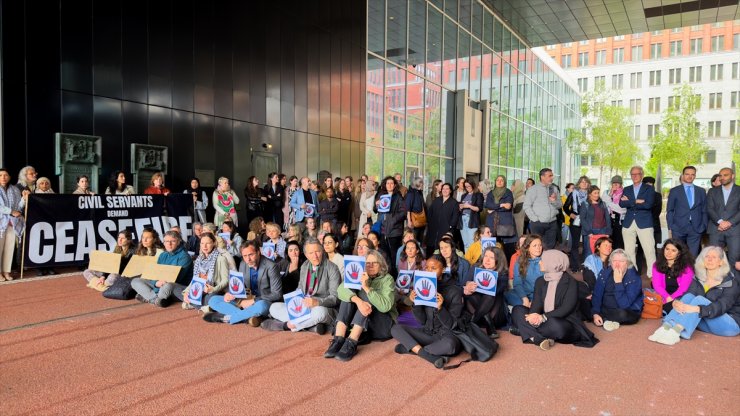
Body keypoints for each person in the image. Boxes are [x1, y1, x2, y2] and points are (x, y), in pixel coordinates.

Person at [649, 246, 739, 345]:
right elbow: (687, 295)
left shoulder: (731, 282)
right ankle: (665, 327)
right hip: (704, 318)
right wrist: (677, 302)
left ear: (721, 262)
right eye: (707, 256)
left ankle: (675, 332)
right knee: (688, 297)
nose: (709, 259)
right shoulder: (698, 278)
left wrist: (697, 309)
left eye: (714, 257)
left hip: (729, 324)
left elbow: (722, 306)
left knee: (700, 299)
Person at [510, 250, 599, 350]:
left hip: (564, 320)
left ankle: (526, 331)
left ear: (552, 263)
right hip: (543, 319)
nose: (539, 262)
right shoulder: (540, 281)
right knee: (517, 310)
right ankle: (537, 338)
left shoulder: (571, 282)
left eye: (542, 260)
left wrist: (543, 317)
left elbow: (566, 308)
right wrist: (534, 314)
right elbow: (537, 303)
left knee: (556, 326)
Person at [391, 255, 463, 369]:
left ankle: (412, 348)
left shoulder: (455, 291)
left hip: (446, 335)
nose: (429, 271)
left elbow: (452, 325)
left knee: (451, 346)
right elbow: (422, 321)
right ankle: (428, 355)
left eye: (433, 268)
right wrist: (415, 303)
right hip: (427, 333)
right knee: (396, 329)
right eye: (427, 268)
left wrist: (440, 308)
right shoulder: (424, 285)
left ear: (443, 269)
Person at [324, 249, 396, 361]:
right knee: (348, 297)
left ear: (381, 265)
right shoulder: (359, 274)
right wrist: (358, 301)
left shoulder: (388, 279)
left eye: (374, 263)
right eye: (367, 263)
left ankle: (352, 341)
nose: (370, 265)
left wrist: (366, 287)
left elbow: (385, 307)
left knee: (368, 296)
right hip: (365, 324)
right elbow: (341, 290)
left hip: (382, 324)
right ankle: (339, 339)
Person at [262, 238, 341, 334]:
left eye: (317, 251)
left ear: (322, 251)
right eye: (311, 253)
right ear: (306, 255)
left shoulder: (332, 268)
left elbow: (335, 298)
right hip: (304, 307)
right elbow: (300, 290)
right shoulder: (304, 266)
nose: (315, 256)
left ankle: (287, 326)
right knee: (274, 307)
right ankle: (310, 326)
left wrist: (317, 302)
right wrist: (293, 302)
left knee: (321, 313)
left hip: (322, 307)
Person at [204, 239, 282, 326]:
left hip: (262, 301)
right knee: (213, 300)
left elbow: (277, 294)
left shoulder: (271, 266)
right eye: (245, 256)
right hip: (245, 299)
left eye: (251, 255)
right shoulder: (243, 264)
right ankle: (248, 317)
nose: (248, 259)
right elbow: (241, 286)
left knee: (261, 306)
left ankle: (228, 318)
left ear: (258, 252)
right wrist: (231, 293)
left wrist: (253, 301)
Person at [131, 230, 193, 307]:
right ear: (163, 243)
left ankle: (150, 298)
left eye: (173, 241)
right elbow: (156, 274)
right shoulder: (163, 255)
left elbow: (177, 279)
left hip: (175, 286)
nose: (169, 244)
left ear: (178, 242)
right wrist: (156, 283)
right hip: (160, 284)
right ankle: (156, 300)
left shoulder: (184, 256)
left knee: (167, 285)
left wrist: (161, 283)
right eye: (166, 241)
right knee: (136, 281)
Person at [461, 246, 509, 338]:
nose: (487, 260)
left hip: (496, 315)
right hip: (476, 312)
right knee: (471, 294)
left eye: (491, 258)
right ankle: (488, 323)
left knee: (490, 294)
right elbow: (462, 286)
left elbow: (497, 291)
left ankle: (472, 322)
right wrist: (467, 288)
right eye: (486, 256)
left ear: (498, 260)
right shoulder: (475, 267)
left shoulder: (503, 273)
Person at [591, 249, 643, 331]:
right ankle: (602, 318)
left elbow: (624, 304)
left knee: (622, 314)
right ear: (611, 263)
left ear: (627, 263)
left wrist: (618, 282)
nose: (617, 264)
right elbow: (597, 294)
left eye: (621, 261)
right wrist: (595, 313)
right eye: (614, 261)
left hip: (626, 310)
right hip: (606, 308)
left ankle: (604, 319)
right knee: (583, 303)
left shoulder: (634, 278)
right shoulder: (604, 273)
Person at [619, 166, 656, 278]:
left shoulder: (649, 189)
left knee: (649, 250)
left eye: (637, 174)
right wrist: (636, 201)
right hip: (628, 223)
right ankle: (632, 273)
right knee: (629, 251)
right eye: (632, 174)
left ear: (642, 175)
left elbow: (648, 204)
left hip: (644, 223)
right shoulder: (627, 189)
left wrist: (630, 201)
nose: (634, 176)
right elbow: (621, 204)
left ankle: (653, 275)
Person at [181, 232, 231, 310]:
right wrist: (186, 292)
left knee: (211, 297)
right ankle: (205, 305)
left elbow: (226, 280)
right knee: (177, 290)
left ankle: (197, 304)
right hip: (199, 289)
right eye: (202, 243)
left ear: (214, 243)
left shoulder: (221, 259)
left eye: (208, 243)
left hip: (214, 290)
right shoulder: (198, 260)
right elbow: (195, 280)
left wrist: (213, 289)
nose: (204, 246)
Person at [706, 167, 739, 267]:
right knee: (714, 259)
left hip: (735, 230)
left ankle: (735, 282)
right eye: (720, 175)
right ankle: (716, 282)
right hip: (716, 229)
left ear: (732, 176)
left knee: (735, 259)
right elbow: (709, 209)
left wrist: (729, 223)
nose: (722, 178)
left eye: (726, 175)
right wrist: (720, 222)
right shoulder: (712, 191)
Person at [374, 176, 407, 275]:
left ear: (395, 185)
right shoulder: (380, 194)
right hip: (383, 229)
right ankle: (385, 275)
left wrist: (393, 219)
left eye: (392, 183)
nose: (389, 185)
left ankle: (394, 276)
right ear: (384, 184)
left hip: (394, 230)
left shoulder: (398, 196)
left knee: (394, 256)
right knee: (384, 255)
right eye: (387, 183)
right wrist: (376, 204)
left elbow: (403, 213)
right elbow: (375, 210)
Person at [651, 239, 695, 313]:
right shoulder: (656, 265)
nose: (668, 253)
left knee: (675, 308)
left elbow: (683, 289)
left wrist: (672, 299)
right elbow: (657, 286)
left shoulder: (687, 268)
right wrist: (667, 298)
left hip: (680, 296)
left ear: (679, 253)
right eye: (667, 249)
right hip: (663, 295)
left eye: (673, 250)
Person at [523, 168, 562, 249]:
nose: (552, 177)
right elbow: (526, 206)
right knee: (538, 247)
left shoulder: (554, 189)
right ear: (542, 177)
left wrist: (554, 201)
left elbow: (559, 205)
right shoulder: (533, 189)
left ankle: (548, 261)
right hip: (538, 224)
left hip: (552, 223)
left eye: (552, 176)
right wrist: (535, 219)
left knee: (551, 247)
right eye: (550, 176)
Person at [505, 234, 544, 308]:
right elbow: (517, 283)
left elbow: (547, 285)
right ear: (528, 247)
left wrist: (535, 301)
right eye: (535, 245)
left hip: (540, 296)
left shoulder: (546, 260)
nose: (538, 248)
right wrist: (524, 298)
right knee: (506, 296)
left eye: (540, 245)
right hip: (523, 294)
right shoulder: (520, 261)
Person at [579, 236, 613, 320]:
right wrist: (594, 293)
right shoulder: (591, 259)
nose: (609, 248)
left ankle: (596, 314)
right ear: (598, 247)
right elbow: (589, 278)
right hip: (593, 290)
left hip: (609, 292)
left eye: (610, 246)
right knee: (577, 286)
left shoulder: (614, 260)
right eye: (605, 245)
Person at [0, 168, 24, 281]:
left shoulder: (14, 189)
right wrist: (11, 211)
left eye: (5, 175)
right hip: (1, 222)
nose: (3, 177)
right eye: (0, 175)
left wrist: (24, 198)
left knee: (9, 248)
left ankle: (6, 271)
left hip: (12, 222)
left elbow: (19, 206)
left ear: (9, 177)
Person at [486, 175, 517, 260]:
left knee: (508, 249)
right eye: (498, 180)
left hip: (505, 224)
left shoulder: (508, 192)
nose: (499, 182)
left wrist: (494, 209)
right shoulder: (490, 193)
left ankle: (508, 268)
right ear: (495, 182)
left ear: (505, 182)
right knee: (492, 248)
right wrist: (501, 205)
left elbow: (508, 207)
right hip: (492, 223)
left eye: (502, 180)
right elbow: (488, 205)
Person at [563, 176, 591, 271]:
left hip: (587, 221)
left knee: (587, 245)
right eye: (582, 182)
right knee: (575, 244)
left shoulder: (591, 194)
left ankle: (585, 265)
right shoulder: (573, 193)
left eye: (586, 182)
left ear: (588, 184)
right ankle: (574, 266)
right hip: (575, 220)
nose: (584, 183)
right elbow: (565, 206)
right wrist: (570, 214)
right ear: (578, 184)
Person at [579, 185, 612, 259]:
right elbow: (582, 219)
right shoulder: (585, 204)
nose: (597, 195)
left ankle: (600, 269)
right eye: (595, 193)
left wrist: (608, 232)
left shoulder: (603, 204)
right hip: (590, 232)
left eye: (598, 193)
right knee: (589, 252)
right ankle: (588, 269)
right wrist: (589, 232)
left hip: (602, 231)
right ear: (590, 194)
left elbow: (607, 218)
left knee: (602, 252)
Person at [425, 183, 459, 254]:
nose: (445, 190)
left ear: (450, 191)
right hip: (433, 230)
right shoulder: (437, 200)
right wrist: (430, 223)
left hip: (446, 230)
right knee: (430, 249)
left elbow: (455, 217)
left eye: (447, 189)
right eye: (443, 189)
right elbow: (430, 212)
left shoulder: (454, 203)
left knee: (442, 249)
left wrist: (450, 227)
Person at [458, 178, 484, 252]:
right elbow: (462, 206)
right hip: (462, 220)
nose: (467, 188)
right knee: (465, 243)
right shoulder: (464, 195)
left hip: (472, 220)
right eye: (466, 187)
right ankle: (467, 261)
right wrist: (460, 207)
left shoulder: (478, 195)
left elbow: (479, 208)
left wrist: (468, 206)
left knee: (472, 243)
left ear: (473, 185)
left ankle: (472, 262)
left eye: (469, 186)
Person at [603, 175, 626, 250]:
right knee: (608, 241)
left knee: (619, 242)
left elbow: (621, 209)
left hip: (620, 221)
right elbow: (603, 204)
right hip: (608, 220)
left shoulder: (625, 193)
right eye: (614, 183)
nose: (615, 185)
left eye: (618, 183)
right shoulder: (606, 192)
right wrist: (610, 195)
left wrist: (608, 202)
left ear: (621, 184)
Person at [405, 177, 427, 244]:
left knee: (420, 240)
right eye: (422, 183)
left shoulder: (420, 192)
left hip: (421, 220)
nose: (423, 184)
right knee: (414, 240)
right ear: (418, 184)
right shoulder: (411, 193)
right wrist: (409, 221)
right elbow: (408, 208)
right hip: (414, 221)